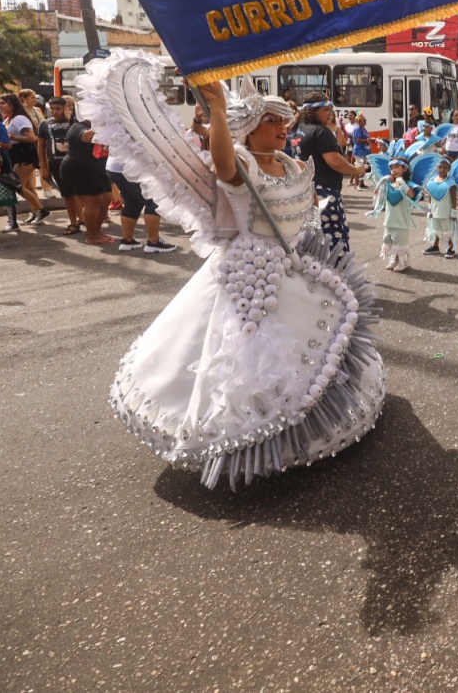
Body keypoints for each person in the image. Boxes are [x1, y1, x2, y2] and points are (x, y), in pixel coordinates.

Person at [80, 53, 385, 489]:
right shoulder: (240, 161)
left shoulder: (293, 162)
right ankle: (245, 440)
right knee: (247, 358)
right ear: (249, 128)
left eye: (284, 122)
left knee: (317, 349)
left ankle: (309, 430)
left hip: (296, 267)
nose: (283, 129)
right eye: (272, 122)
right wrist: (219, 111)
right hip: (251, 275)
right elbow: (222, 166)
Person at [289, 91, 367, 253]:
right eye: (326, 109)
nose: (330, 113)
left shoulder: (298, 129)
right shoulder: (320, 131)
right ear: (313, 111)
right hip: (324, 194)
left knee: (311, 241)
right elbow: (335, 162)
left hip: (304, 193)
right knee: (332, 240)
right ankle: (335, 275)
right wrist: (355, 170)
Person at [58, 105, 115, 245]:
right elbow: (87, 137)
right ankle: (92, 235)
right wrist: (101, 125)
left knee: (107, 198)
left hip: (97, 167)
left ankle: (97, 230)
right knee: (93, 202)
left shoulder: (98, 126)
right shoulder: (78, 127)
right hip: (80, 168)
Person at [106, 150, 178, 254]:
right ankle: (154, 242)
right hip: (129, 167)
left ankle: (127, 241)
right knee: (153, 201)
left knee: (132, 202)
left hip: (114, 166)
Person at [0, 93, 48, 228]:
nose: (0, 106)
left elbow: (32, 138)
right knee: (28, 186)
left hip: (25, 155)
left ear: (12, 104)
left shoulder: (19, 118)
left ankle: (41, 210)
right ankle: (35, 212)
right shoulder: (9, 118)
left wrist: (11, 137)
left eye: (3, 103)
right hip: (16, 155)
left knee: (17, 185)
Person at [37, 97, 82, 234]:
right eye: (53, 109)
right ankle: (73, 223)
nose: (55, 112)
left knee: (80, 193)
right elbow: (41, 147)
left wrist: (70, 118)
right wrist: (44, 167)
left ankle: (84, 218)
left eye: (59, 109)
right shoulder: (45, 124)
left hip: (75, 163)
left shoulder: (74, 123)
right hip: (56, 164)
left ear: (65, 108)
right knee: (68, 195)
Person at [373, 157, 417, 272]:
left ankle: (403, 262)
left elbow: (412, 195)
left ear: (405, 169)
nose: (394, 170)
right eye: (391, 168)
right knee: (389, 239)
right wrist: (382, 180)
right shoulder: (389, 184)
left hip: (401, 219)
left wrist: (401, 182)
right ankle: (393, 259)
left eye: (397, 167)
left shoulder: (408, 183)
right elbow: (376, 194)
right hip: (389, 219)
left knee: (400, 241)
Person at [348, 114, 370, 187]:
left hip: (364, 151)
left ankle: (362, 183)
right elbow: (358, 140)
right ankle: (357, 183)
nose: (365, 121)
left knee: (363, 167)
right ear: (360, 121)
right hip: (359, 151)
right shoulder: (358, 129)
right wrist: (367, 140)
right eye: (364, 120)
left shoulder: (363, 129)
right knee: (358, 167)